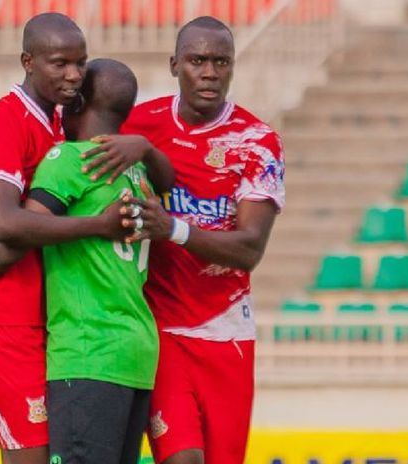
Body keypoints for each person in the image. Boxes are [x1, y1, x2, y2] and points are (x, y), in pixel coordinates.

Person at [0, 13, 157, 464]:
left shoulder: (59, 129)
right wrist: (98, 226)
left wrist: (144, 146)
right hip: (0, 319)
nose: (74, 75)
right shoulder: (3, 123)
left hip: (48, 323)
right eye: (60, 64)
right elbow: (5, 224)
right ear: (28, 61)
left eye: (80, 64)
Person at [112, 16, 286, 464]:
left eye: (221, 62)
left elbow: (249, 249)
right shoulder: (138, 126)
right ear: (175, 65)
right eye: (197, 61)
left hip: (225, 330)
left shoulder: (256, 142)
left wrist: (173, 228)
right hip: (161, 330)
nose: (209, 72)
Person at [29, 58, 159, 464]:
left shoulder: (70, 159)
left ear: (78, 100)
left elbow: (23, 228)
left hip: (87, 351)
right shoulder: (138, 174)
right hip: (136, 352)